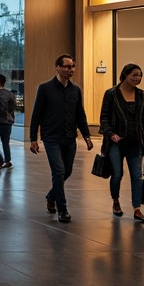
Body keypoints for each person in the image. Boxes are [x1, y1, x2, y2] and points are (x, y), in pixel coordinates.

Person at [29, 54, 94, 223]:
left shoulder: (75, 90)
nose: (70, 70)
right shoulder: (45, 88)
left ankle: (51, 196)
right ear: (57, 67)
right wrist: (33, 138)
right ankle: (62, 209)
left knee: (67, 171)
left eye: (72, 66)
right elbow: (36, 114)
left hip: (70, 137)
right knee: (58, 171)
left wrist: (87, 135)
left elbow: (80, 114)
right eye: (66, 66)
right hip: (51, 137)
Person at [100, 63, 144, 224]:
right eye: (134, 75)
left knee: (137, 176)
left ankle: (137, 208)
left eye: (140, 75)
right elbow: (103, 118)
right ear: (124, 75)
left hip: (136, 142)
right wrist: (111, 134)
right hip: (116, 143)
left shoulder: (142, 94)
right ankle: (116, 200)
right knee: (117, 174)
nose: (137, 78)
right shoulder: (111, 94)